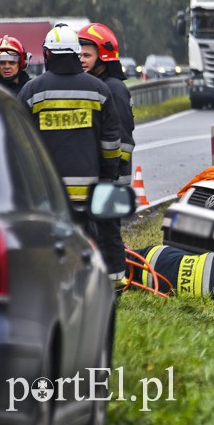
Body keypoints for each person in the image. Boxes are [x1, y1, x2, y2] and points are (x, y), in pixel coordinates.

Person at [18, 23, 124, 280]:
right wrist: (108, 177)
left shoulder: (32, 92)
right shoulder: (99, 90)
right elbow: (111, 143)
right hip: (90, 192)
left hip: (48, 194)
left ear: (48, 54)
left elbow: (20, 144)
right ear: (76, 53)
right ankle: (112, 283)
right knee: (100, 240)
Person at [78, 22, 135, 285]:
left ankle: (117, 281)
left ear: (103, 56)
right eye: (80, 54)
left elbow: (123, 140)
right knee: (97, 230)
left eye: (87, 54)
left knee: (108, 232)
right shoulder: (98, 85)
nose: (81, 59)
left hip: (113, 178)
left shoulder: (113, 89)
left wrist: (110, 174)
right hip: (104, 176)